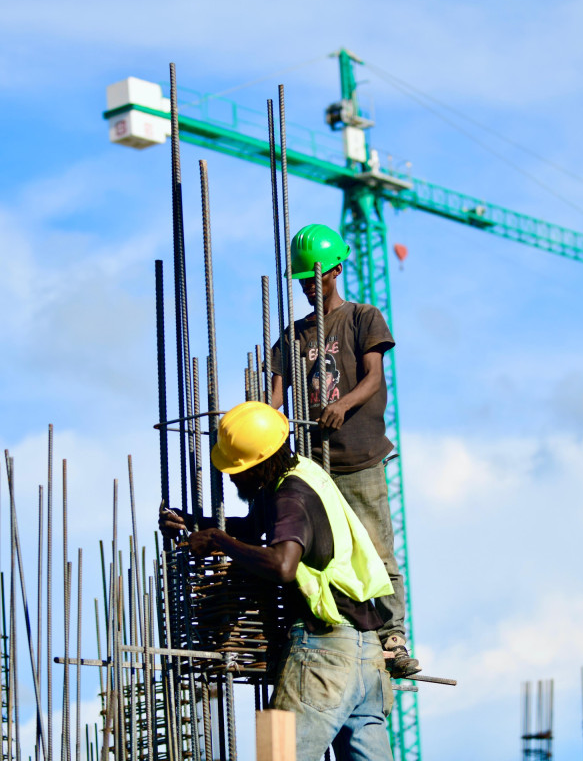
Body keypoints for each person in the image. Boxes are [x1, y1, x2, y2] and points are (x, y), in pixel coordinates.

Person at [160, 402, 395, 761]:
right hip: (366, 653)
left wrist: (219, 542)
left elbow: (284, 564)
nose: (232, 478)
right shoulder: (305, 474)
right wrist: (197, 524)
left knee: (276, 755)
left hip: (323, 651)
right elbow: (260, 532)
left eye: (237, 470)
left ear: (257, 464)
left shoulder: (291, 495)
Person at [270, 223, 419, 678]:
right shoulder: (293, 337)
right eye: (301, 281)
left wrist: (344, 404)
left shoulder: (362, 317)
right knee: (326, 554)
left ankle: (392, 633)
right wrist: (255, 421)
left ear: (336, 269)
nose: (308, 287)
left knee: (376, 546)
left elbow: (374, 378)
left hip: (361, 458)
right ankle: (338, 626)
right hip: (316, 468)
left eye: (316, 278)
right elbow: (275, 397)